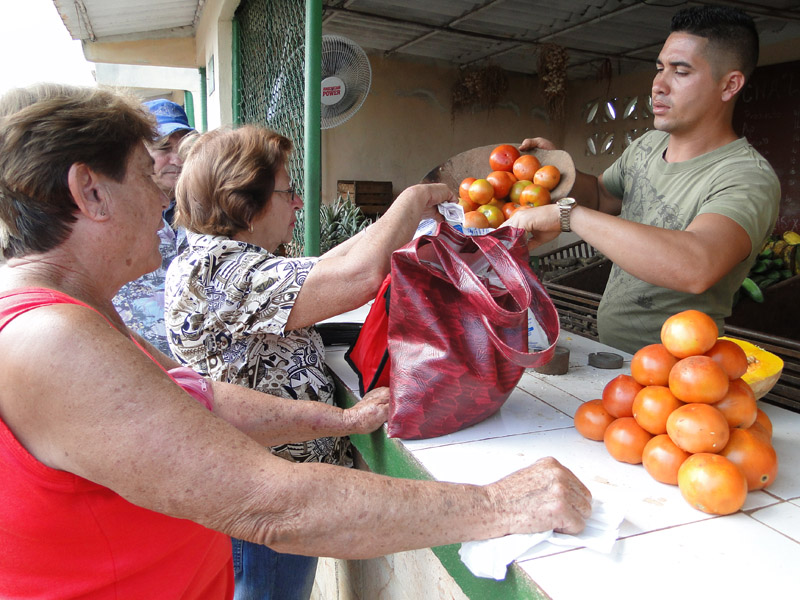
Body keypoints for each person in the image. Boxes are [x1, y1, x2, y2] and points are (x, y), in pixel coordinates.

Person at [0, 83, 591, 599]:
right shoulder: (50, 339)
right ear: (91, 192)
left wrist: (341, 422)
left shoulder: (78, 315)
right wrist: (499, 506)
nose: (163, 199)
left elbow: (200, 400)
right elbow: (271, 504)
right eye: (145, 176)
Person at [163, 125, 478, 599]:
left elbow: (326, 266)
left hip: (274, 483)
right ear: (245, 203)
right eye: (287, 192)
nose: (297, 204)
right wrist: (411, 200)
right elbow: (355, 277)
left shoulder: (228, 260)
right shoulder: (219, 272)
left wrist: (395, 225)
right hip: (259, 497)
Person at [506, 5, 780, 354]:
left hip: (682, 373)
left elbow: (696, 266)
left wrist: (567, 215)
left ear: (729, 85)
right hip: (614, 355)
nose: (658, 85)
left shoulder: (746, 177)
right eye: (660, 68)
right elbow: (602, 196)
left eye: (680, 72)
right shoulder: (648, 146)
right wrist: (557, 174)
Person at [112, 98, 195, 355]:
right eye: (164, 149)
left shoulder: (205, 210)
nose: (177, 160)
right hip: (140, 363)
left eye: (183, 150)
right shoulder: (117, 214)